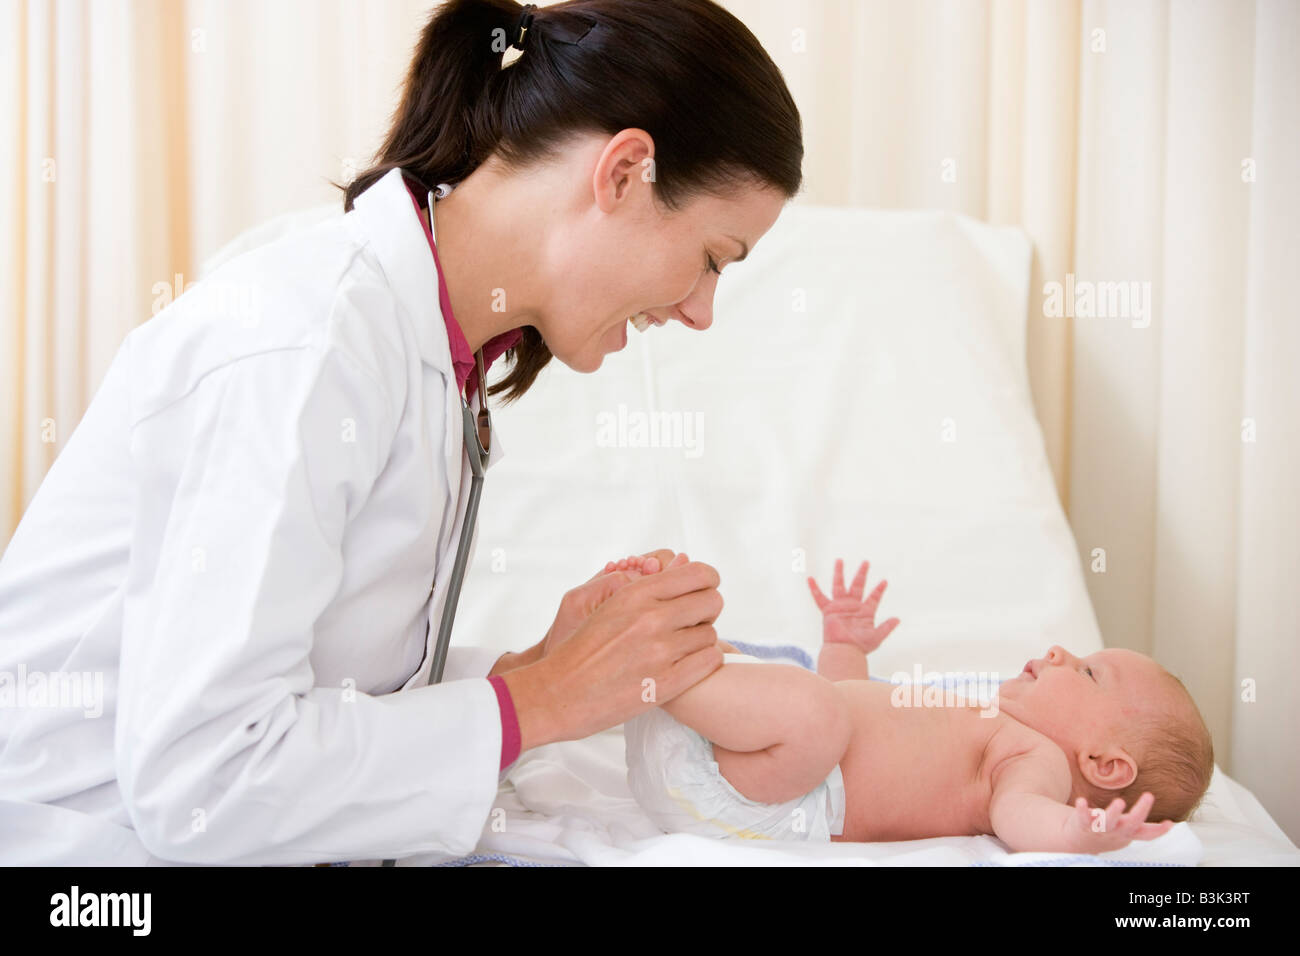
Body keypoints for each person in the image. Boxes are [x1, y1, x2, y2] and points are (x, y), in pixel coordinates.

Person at [0, 0, 803, 865]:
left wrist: (533, 670)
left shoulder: (438, 352)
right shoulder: (306, 344)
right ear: (625, 172)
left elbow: (327, 688)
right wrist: (541, 701)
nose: (700, 311)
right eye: (714, 259)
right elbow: (203, 784)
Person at [624, 558, 1215, 850]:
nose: (1061, 651)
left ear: (1104, 765)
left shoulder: (1038, 765)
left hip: (756, 794)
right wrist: (844, 647)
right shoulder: (987, 718)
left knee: (811, 712)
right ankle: (663, 647)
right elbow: (851, 702)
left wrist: (1079, 834)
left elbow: (1021, 819)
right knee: (805, 697)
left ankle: (651, 661)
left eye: (1089, 672)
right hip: (729, 753)